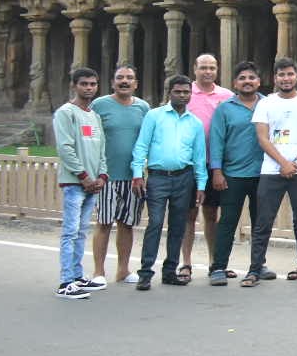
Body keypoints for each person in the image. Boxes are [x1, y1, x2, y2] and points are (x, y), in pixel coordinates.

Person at [249, 57, 297, 288]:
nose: (286, 78)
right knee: (263, 222)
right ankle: (254, 269)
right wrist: (283, 162)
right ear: (275, 78)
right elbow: (262, 137)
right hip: (272, 170)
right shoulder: (266, 103)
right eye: (281, 75)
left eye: (290, 74)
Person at [130, 75, 208, 290]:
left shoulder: (195, 123)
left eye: (186, 92)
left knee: (178, 225)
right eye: (178, 91)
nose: (182, 95)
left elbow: (199, 157)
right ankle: (145, 272)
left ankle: (170, 271)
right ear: (169, 93)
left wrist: (201, 185)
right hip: (158, 177)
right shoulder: (154, 116)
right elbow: (141, 146)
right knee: (155, 222)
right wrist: (138, 174)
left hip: (184, 177)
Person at [89, 63, 149, 284]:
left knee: (127, 223)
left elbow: (146, 141)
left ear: (136, 83)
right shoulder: (100, 105)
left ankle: (123, 270)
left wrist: (141, 172)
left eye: (129, 78)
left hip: (133, 176)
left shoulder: (143, 108)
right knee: (104, 222)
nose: (124, 81)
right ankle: (98, 272)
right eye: (120, 77)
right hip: (106, 175)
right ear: (113, 82)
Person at [206, 62, 265, 286]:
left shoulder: (268, 105)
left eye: (251, 77)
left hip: (263, 174)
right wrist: (217, 172)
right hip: (233, 174)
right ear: (235, 84)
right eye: (242, 78)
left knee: (261, 222)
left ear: (258, 82)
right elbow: (217, 141)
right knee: (228, 222)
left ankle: (258, 265)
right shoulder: (225, 108)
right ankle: (219, 266)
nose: (247, 81)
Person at [52, 67, 107, 299]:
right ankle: (65, 282)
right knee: (70, 231)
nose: (89, 88)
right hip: (76, 183)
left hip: (93, 184)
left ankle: (77, 275)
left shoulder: (94, 116)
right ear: (74, 85)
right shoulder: (66, 113)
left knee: (82, 231)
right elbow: (65, 148)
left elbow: (102, 148)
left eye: (93, 84)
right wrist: (84, 176)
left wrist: (102, 176)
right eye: (84, 84)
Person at [178, 52, 232, 283]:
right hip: (189, 164)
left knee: (211, 214)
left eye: (212, 67)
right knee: (188, 214)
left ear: (217, 70)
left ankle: (214, 261)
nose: (207, 71)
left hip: (215, 163)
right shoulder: (185, 94)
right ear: (195, 69)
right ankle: (186, 263)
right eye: (203, 67)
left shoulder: (227, 96)